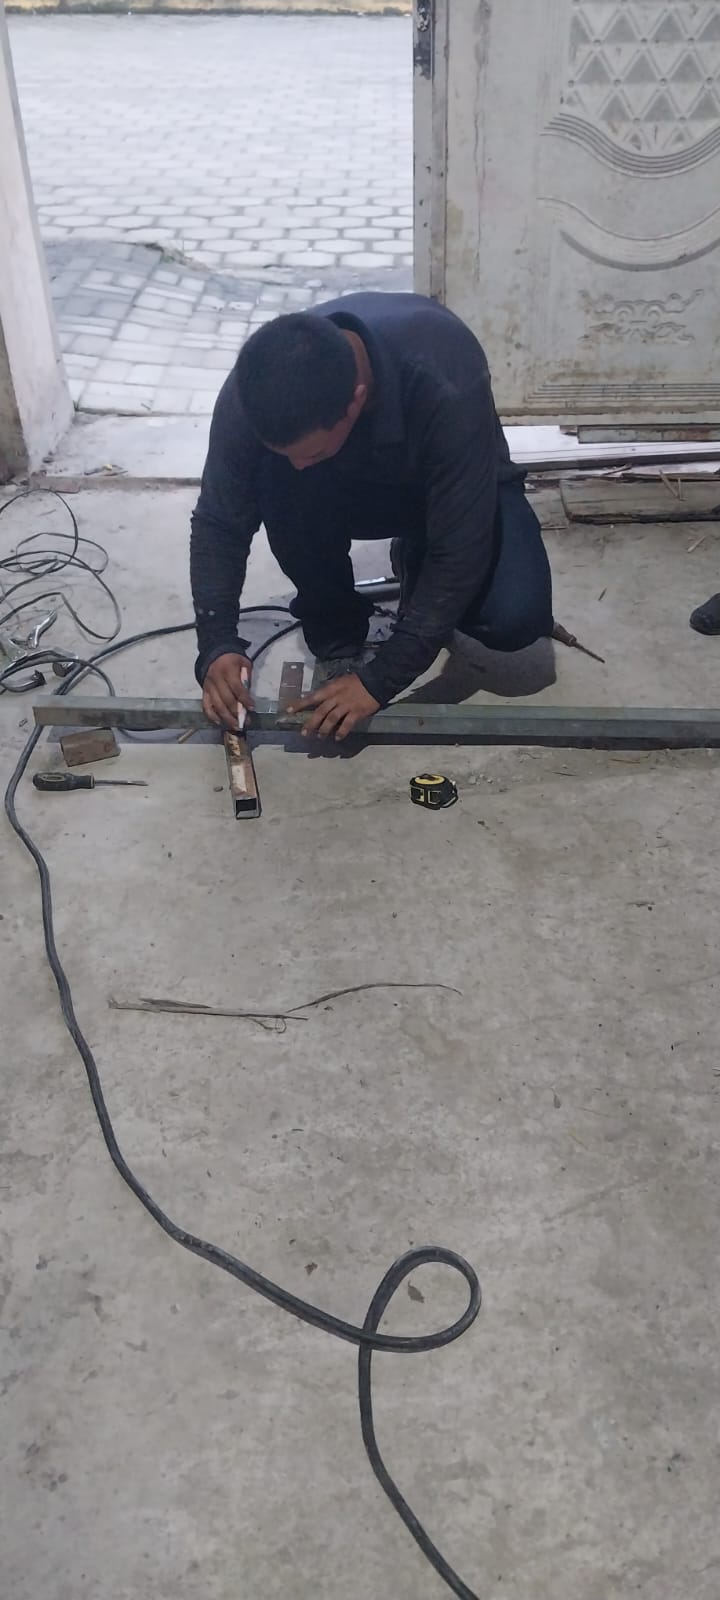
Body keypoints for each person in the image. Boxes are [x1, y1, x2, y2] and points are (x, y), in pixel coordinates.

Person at [190, 292, 553, 740]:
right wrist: (217, 643)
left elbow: (461, 547)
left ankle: (417, 554)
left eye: (312, 452)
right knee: (279, 481)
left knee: (514, 619)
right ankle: (336, 629)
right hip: (345, 488)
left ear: (356, 401)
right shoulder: (252, 391)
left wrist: (380, 681)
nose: (298, 465)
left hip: (453, 488)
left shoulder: (444, 375)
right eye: (289, 454)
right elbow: (219, 521)